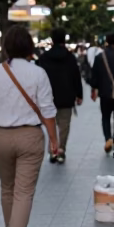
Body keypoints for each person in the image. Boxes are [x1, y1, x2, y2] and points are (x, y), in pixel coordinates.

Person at [0, 25, 58, 227]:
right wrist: (54, 140)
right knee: (24, 190)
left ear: (6, 47)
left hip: (1, 136)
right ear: (29, 47)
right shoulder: (38, 73)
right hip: (30, 136)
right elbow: (47, 109)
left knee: (7, 187)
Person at [37, 27, 83, 165]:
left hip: (47, 97)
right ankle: (61, 149)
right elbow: (76, 76)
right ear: (64, 39)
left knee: (50, 125)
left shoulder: (44, 58)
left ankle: (52, 150)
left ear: (52, 39)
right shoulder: (69, 57)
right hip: (66, 96)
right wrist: (79, 94)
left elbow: (38, 77)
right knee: (64, 125)